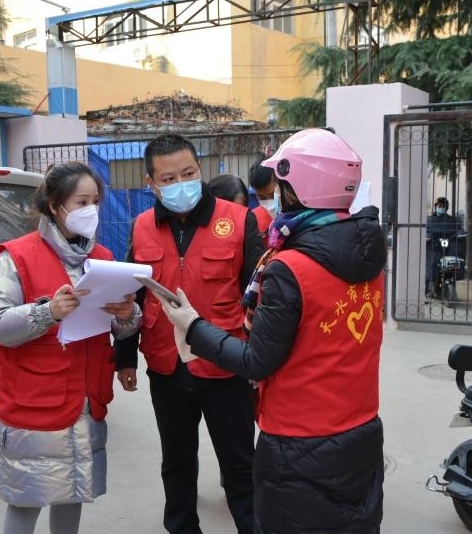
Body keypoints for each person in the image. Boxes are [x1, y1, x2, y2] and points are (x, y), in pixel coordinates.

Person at [149, 128, 387, 534]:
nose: (275, 194)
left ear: (298, 188)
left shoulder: (290, 267)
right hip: (361, 426)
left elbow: (257, 361)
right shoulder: (368, 257)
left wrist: (194, 328)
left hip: (299, 438)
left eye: (280, 185)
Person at [0, 161, 142, 534]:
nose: (91, 210)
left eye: (95, 201)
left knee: (72, 492)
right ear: (55, 205)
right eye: (81, 202)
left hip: (86, 398)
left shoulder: (103, 258)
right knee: (26, 499)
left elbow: (122, 327)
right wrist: (47, 312)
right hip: (35, 400)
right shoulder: (16, 257)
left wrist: (127, 314)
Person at [114, 134, 264, 534]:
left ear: (200, 170)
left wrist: (257, 362)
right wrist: (125, 358)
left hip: (225, 365)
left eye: (188, 173)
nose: (180, 183)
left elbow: (257, 298)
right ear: (151, 183)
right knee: (177, 464)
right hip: (166, 367)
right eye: (168, 179)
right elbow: (132, 296)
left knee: (240, 467)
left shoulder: (239, 220)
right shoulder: (142, 227)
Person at [425, 196, 463, 299]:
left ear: (446, 207)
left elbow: (458, 229)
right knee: (432, 265)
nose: (441, 208)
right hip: (434, 247)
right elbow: (425, 231)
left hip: (449, 247)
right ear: (435, 207)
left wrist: (460, 233)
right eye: (439, 206)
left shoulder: (452, 220)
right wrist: (427, 236)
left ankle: (450, 287)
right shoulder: (429, 220)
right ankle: (429, 288)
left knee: (453, 265)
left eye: (443, 206)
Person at [248, 160, 278, 245]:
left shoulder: (301, 217)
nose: (269, 201)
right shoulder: (253, 219)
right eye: (262, 197)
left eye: (273, 195)